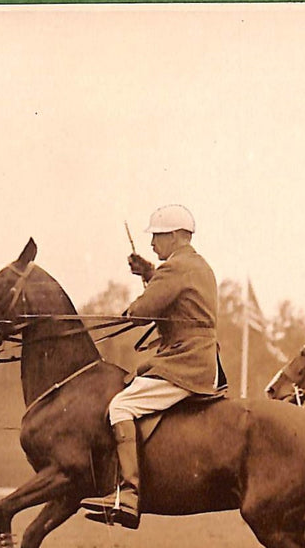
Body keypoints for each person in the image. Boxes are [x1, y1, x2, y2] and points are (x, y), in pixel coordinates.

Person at [81, 204, 225, 529]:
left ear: (174, 236)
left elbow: (145, 309)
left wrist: (128, 311)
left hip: (184, 363)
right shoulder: (197, 266)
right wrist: (149, 273)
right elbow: (174, 296)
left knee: (121, 406)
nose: (152, 244)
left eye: (157, 237)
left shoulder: (176, 268)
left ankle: (129, 493)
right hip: (199, 359)